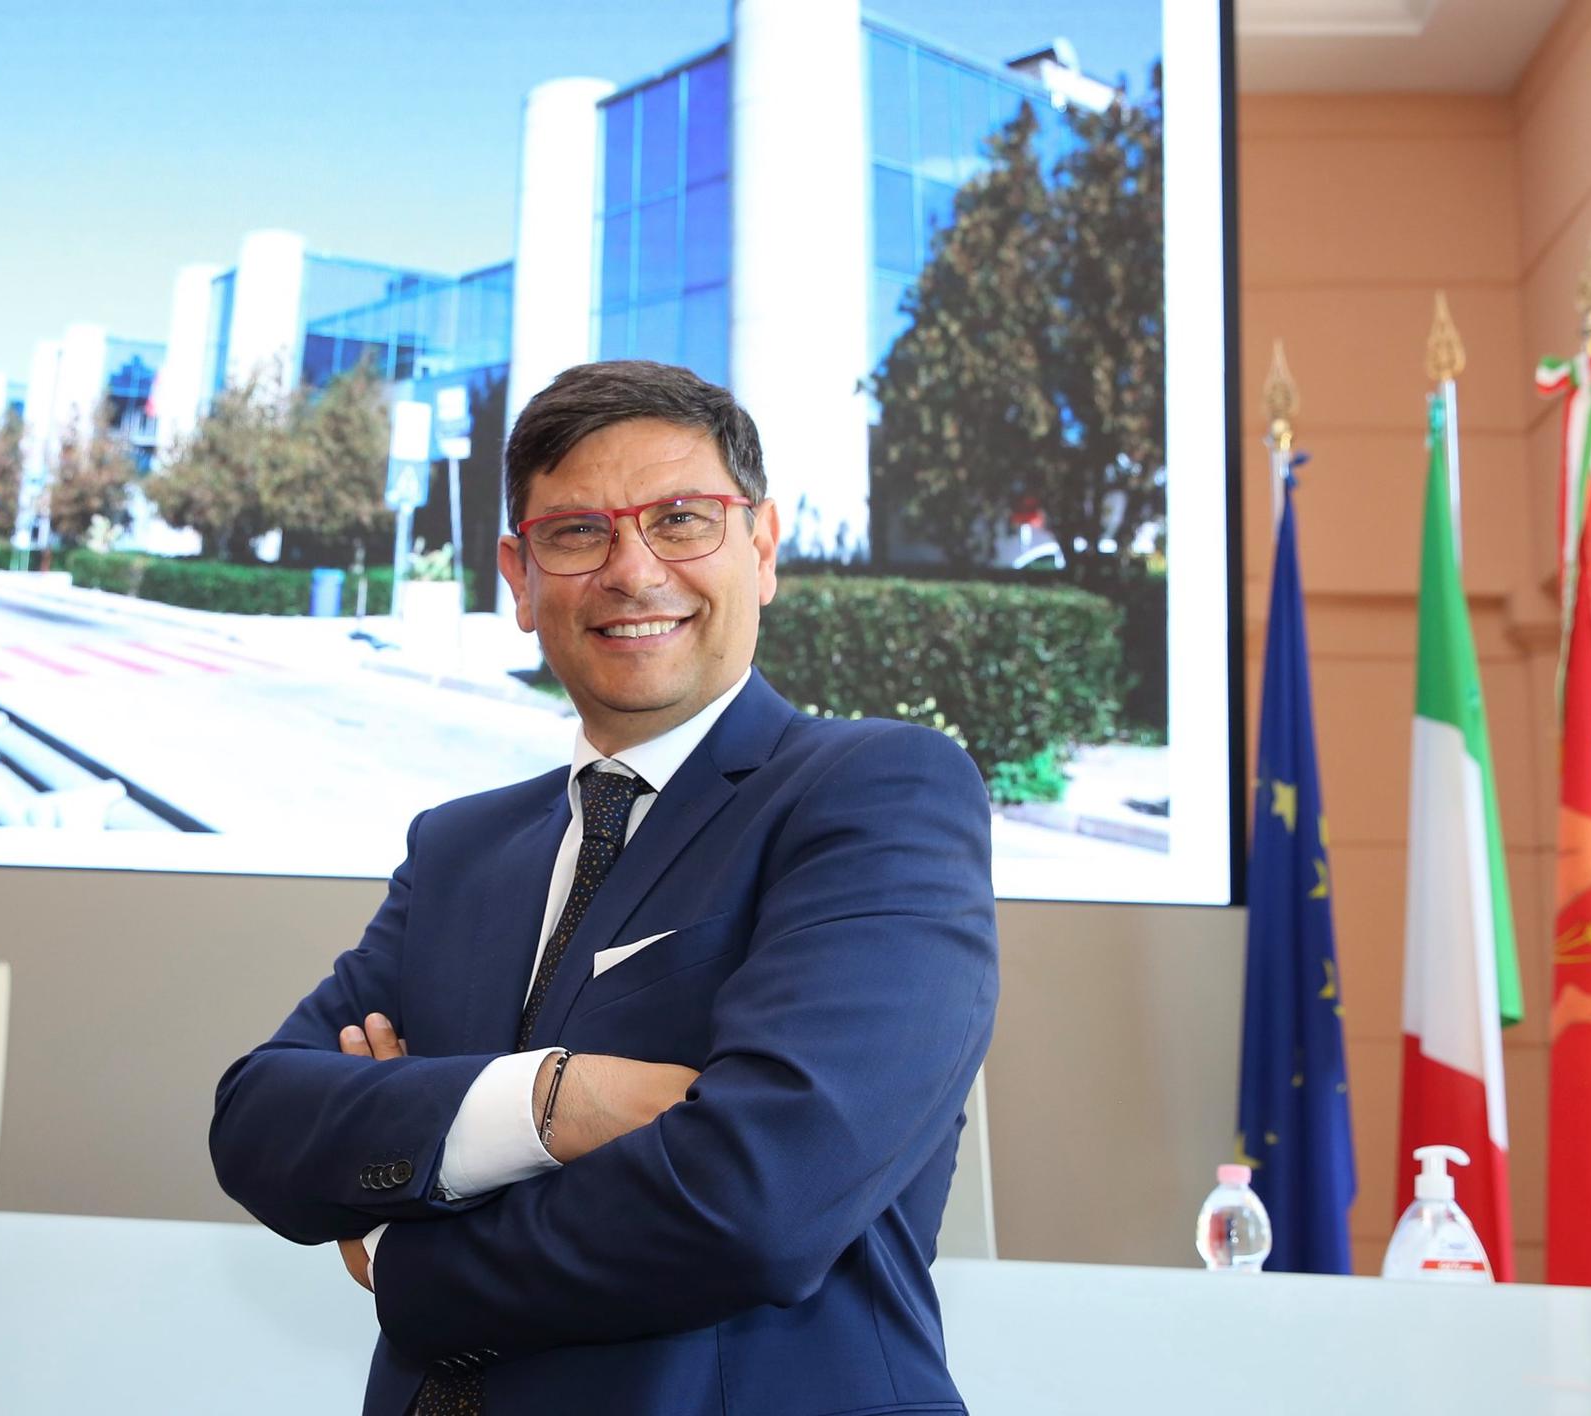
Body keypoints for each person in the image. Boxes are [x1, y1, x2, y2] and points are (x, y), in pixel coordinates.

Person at [210, 360, 999, 1416]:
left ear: (761, 549)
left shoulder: (877, 792)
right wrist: (551, 1103)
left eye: (681, 520)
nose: (633, 571)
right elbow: (260, 1121)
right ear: (520, 577)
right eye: (579, 532)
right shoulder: (460, 848)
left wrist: (411, 1245)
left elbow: (756, 1198)